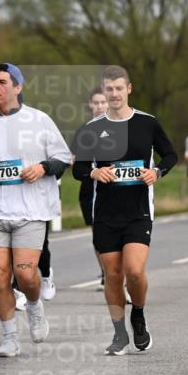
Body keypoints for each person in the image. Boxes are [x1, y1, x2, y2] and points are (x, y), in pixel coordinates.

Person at [0, 63, 71, 357]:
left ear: (17, 87)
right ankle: (9, 337)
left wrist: (43, 168)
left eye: (2, 82)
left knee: (25, 274)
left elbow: (63, 158)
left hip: (30, 211)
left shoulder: (40, 120)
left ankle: (34, 305)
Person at [72, 65, 178, 355]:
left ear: (128, 89)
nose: (115, 93)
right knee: (113, 275)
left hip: (138, 210)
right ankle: (119, 335)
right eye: (110, 89)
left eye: (120, 88)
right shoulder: (91, 129)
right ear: (104, 92)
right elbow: (79, 168)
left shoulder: (147, 123)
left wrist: (157, 172)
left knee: (133, 270)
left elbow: (171, 154)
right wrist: (94, 174)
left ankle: (139, 315)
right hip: (105, 213)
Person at [80, 88, 108, 289]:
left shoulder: (117, 128)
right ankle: (106, 273)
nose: (99, 106)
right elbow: (75, 162)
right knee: (97, 234)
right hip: (89, 189)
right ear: (90, 105)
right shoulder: (84, 131)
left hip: (110, 188)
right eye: (96, 103)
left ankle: (116, 275)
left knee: (112, 232)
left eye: (103, 102)